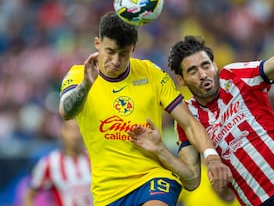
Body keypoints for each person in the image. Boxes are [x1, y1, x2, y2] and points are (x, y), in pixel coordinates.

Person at [164, 0, 274, 205]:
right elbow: (191, 178)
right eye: (192, 70)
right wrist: (158, 148)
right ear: (181, 80)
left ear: (215, 66)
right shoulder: (187, 116)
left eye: (206, 65)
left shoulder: (236, 75)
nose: (203, 74)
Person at [58, 11, 231, 206]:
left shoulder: (151, 73)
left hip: (153, 179)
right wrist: (85, 86)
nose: (116, 61)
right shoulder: (78, 75)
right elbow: (66, 112)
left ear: (133, 49)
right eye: (110, 52)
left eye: (123, 54)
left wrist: (212, 157)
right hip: (107, 192)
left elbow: (189, 122)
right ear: (97, 44)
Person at [23, 118, 92, 206]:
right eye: (70, 129)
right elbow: (29, 196)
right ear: (62, 132)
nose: (75, 135)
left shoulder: (93, 158)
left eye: (78, 129)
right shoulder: (50, 163)